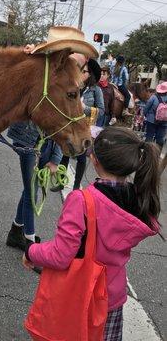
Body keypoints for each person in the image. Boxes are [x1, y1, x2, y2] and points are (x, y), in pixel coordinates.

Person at [23, 126, 160, 341]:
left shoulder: (82, 201)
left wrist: (31, 251)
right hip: (112, 300)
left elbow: (61, 255)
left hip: (80, 297)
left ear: (94, 160)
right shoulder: (138, 202)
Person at [6, 121, 62, 249]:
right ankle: (29, 242)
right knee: (31, 192)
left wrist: (55, 159)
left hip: (48, 143)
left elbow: (62, 124)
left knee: (29, 190)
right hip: (28, 142)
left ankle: (15, 231)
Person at [51, 58, 104, 192]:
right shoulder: (74, 86)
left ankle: (76, 187)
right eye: (80, 71)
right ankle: (61, 182)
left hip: (84, 128)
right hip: (70, 126)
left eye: (84, 71)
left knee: (81, 158)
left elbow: (102, 111)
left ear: (90, 74)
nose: (81, 74)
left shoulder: (95, 90)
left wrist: (85, 108)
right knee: (65, 154)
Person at [144, 81, 167, 148]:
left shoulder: (154, 97)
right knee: (160, 139)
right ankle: (157, 154)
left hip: (151, 120)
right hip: (164, 123)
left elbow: (146, 108)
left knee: (149, 137)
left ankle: (146, 153)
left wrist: (146, 115)